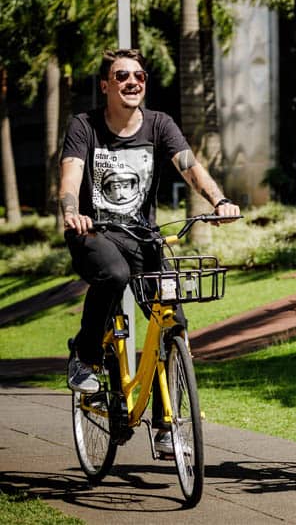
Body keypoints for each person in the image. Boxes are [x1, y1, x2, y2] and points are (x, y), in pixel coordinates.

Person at [60, 48, 241, 454]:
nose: (132, 83)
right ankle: (85, 357)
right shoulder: (83, 125)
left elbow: (189, 166)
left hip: (142, 236)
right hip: (93, 231)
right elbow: (70, 175)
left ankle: (164, 422)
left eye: (139, 76)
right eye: (122, 76)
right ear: (106, 85)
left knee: (171, 319)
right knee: (114, 275)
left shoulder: (159, 124)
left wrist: (218, 201)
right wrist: (72, 212)